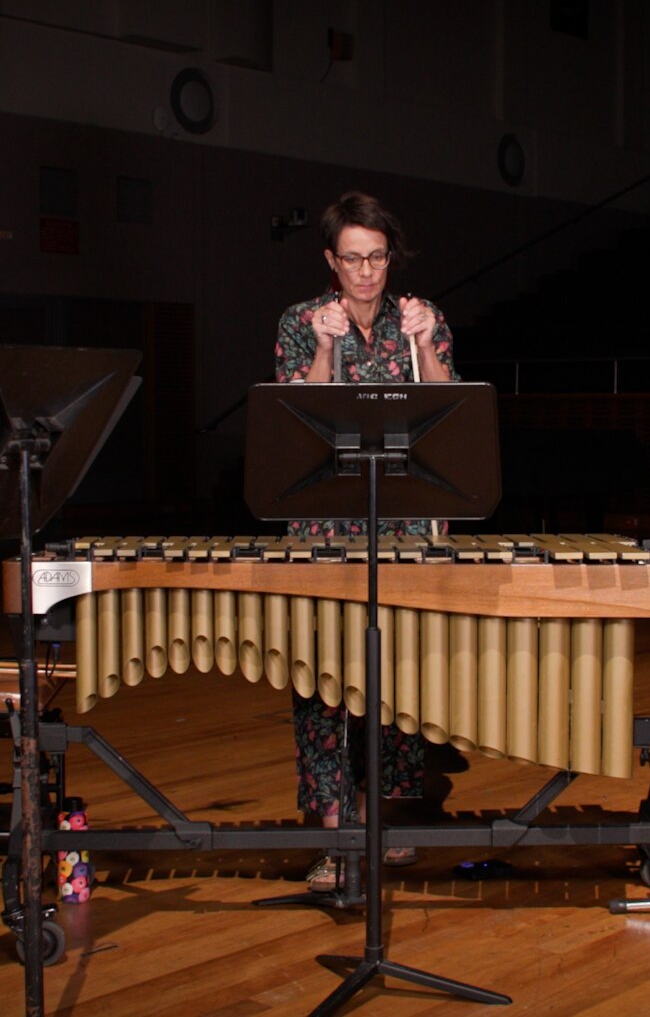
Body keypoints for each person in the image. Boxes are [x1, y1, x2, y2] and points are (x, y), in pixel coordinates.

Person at [273, 191, 454, 890]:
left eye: (377, 257)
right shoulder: (299, 322)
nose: (367, 271)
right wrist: (323, 346)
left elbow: (446, 405)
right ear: (331, 260)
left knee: (394, 677)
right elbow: (296, 419)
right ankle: (333, 835)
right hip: (324, 527)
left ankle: (385, 822)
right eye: (352, 258)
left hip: (402, 526)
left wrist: (422, 343)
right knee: (322, 686)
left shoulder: (422, 318)